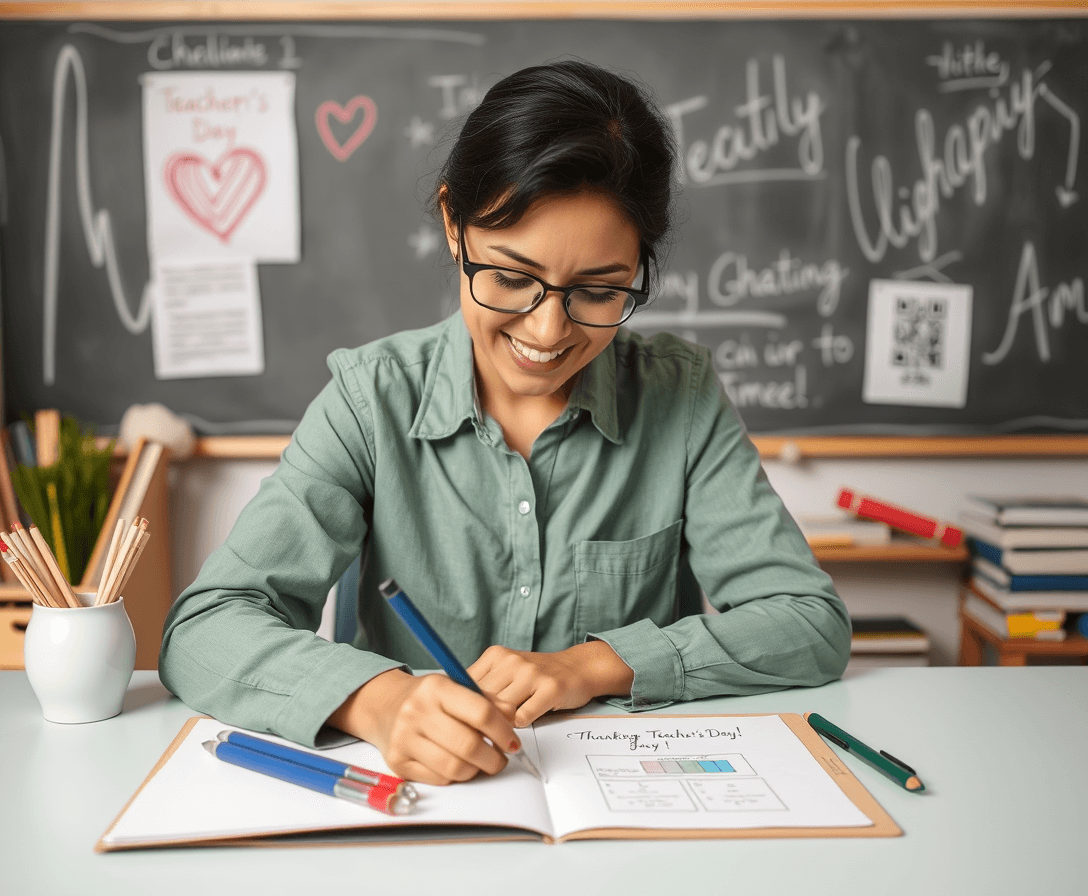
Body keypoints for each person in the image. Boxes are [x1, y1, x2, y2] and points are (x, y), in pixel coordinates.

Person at [160, 59, 850, 787]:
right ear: (455, 224)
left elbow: (809, 623)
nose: (549, 330)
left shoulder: (681, 397)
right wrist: (379, 701)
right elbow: (205, 628)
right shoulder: (372, 400)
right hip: (419, 806)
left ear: (639, 267)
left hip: (618, 804)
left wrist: (594, 664)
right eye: (512, 278)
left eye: (598, 291)